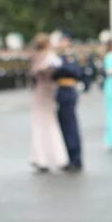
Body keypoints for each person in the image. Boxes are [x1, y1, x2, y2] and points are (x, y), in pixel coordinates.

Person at [27, 33, 68, 173]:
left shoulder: (36, 57)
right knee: (49, 124)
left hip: (42, 91)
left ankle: (41, 157)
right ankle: (56, 157)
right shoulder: (50, 57)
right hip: (47, 90)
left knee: (40, 124)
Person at [53, 32, 84, 172]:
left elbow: (76, 72)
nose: (62, 43)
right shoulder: (58, 57)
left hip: (69, 91)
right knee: (64, 126)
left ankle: (76, 158)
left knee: (71, 126)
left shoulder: (70, 56)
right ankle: (68, 157)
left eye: (64, 41)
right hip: (60, 91)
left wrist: (61, 67)